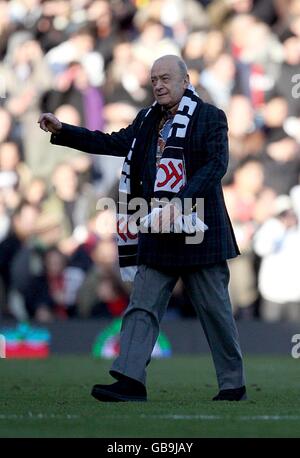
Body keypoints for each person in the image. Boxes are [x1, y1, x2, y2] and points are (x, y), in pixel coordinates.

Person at [38, 55, 247, 402]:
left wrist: (177, 202)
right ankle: (130, 380)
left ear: (185, 80)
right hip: (158, 230)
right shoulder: (147, 119)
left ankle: (233, 384)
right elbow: (112, 143)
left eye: (166, 78)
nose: (159, 85)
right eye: (154, 80)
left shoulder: (211, 116)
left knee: (215, 312)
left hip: (199, 232)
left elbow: (216, 166)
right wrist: (63, 130)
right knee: (142, 306)